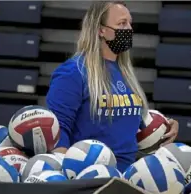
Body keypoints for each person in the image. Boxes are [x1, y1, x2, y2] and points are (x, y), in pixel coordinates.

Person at [46, 1, 179, 172]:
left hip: (128, 175)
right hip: (89, 175)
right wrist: (68, 178)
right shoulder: (73, 72)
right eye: (122, 23)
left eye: (130, 23)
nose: (129, 29)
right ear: (101, 30)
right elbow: (57, 131)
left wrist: (166, 126)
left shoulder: (125, 73)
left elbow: (129, 123)